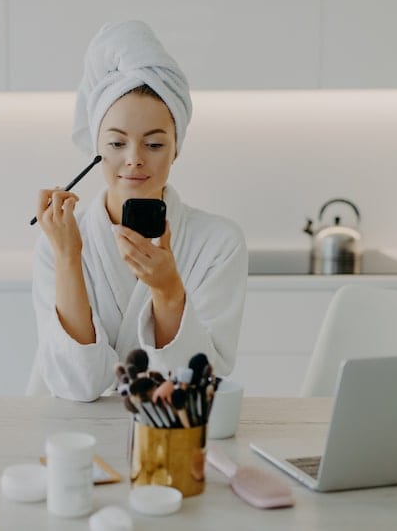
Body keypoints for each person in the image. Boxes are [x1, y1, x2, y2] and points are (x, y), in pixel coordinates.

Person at [27, 21, 248, 402]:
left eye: (155, 144)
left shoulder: (218, 243)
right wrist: (68, 257)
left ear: (176, 148)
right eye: (116, 142)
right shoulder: (59, 240)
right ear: (96, 146)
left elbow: (194, 386)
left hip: (170, 434)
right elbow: (79, 386)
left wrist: (168, 292)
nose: (133, 160)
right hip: (75, 432)